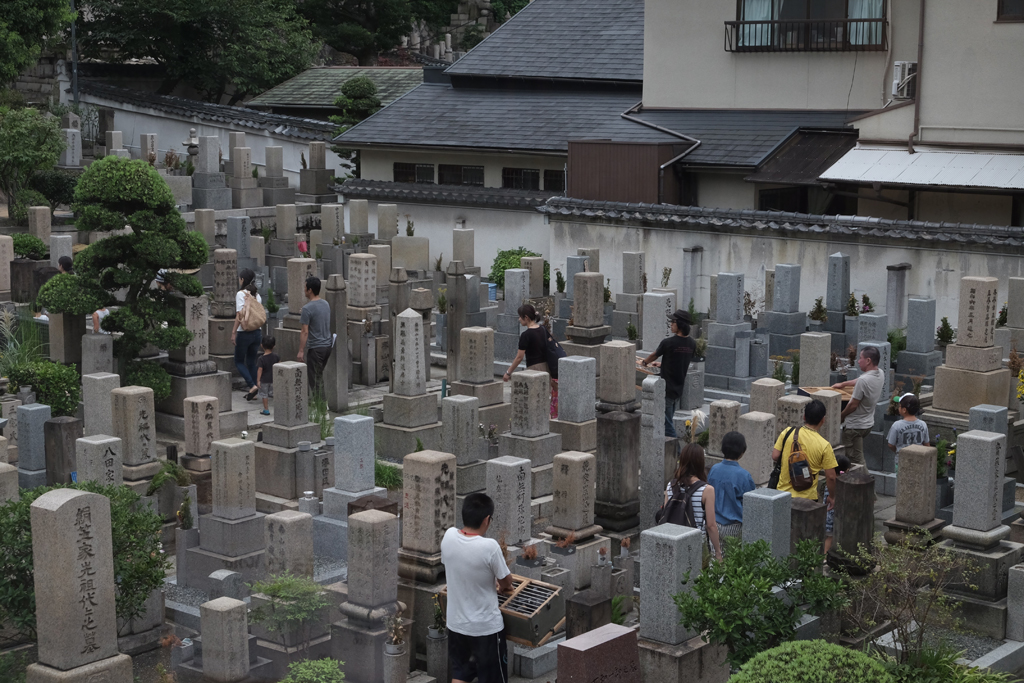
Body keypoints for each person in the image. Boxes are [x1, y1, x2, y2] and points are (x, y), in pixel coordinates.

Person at [440, 492, 514, 683]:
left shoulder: (448, 537)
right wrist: (501, 587)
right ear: (487, 519)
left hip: (456, 625)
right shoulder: (489, 547)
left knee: (460, 675)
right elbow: (506, 581)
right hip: (485, 629)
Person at [641, 309, 697, 438]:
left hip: (666, 388)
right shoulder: (692, 344)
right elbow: (681, 361)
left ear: (680, 324)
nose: (671, 324)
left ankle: (676, 451)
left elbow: (654, 355)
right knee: (668, 419)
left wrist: (644, 362)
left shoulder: (668, 343)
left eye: (673, 322)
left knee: (666, 422)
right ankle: (668, 447)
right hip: (678, 389)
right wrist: (662, 365)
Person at [772, 399, 838, 507]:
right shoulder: (824, 445)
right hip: (808, 499)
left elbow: (775, 456)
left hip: (782, 494)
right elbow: (831, 477)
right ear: (823, 420)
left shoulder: (788, 432)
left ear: (804, 417)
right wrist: (832, 496)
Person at [664, 443, 723, 561]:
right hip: (695, 543)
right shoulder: (707, 490)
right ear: (700, 462)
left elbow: (665, 513)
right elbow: (710, 525)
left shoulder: (671, 485)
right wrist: (717, 552)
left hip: (673, 540)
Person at [831, 346, 884, 467]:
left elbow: (853, 405)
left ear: (868, 361)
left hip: (854, 427)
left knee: (856, 461)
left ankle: (865, 483)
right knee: (857, 458)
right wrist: (843, 384)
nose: (858, 361)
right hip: (868, 423)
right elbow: (859, 380)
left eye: (860, 358)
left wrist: (841, 417)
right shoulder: (880, 373)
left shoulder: (864, 381)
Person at [707, 431, 755, 551]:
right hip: (735, 525)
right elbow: (750, 502)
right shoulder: (744, 475)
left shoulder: (714, 469)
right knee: (733, 561)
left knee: (716, 558)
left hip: (714, 523)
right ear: (742, 453)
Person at [503, 304, 558, 410]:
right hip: (547, 367)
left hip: (534, 368)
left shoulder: (526, 335)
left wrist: (508, 372)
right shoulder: (543, 329)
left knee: (535, 402)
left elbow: (519, 357)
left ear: (526, 318)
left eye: (520, 317)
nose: (519, 319)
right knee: (544, 400)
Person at [297, 275, 332, 395]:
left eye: (305, 287)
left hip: (316, 348)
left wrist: (301, 350)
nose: (304, 289)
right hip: (327, 346)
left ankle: (322, 409)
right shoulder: (325, 304)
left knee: (315, 381)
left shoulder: (307, 309)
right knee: (319, 377)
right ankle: (322, 407)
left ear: (310, 290)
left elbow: (304, 331)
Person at [231, 268, 263, 401]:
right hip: (257, 332)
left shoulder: (241, 294)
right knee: (251, 361)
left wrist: (233, 332)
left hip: (244, 333)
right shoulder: (257, 295)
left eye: (240, 278)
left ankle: (252, 386)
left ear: (242, 280)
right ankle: (255, 388)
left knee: (238, 361)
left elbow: (239, 315)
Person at [886, 393, 930, 470]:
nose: (898, 408)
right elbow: (926, 444)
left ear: (904, 410)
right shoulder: (923, 424)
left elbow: (890, 444)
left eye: (899, 406)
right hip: (919, 460)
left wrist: (898, 450)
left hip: (901, 460)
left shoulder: (897, 425)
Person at [823, 452, 852, 554]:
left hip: (828, 515)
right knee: (830, 538)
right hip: (832, 516)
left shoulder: (830, 484)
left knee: (830, 537)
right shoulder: (838, 484)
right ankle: (824, 557)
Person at [256, 335, 279, 417]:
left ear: (261, 345)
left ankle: (266, 409)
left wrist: (258, 380)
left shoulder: (261, 359)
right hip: (274, 379)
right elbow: (279, 366)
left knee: (264, 395)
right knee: (275, 394)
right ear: (274, 346)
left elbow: (260, 370)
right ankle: (279, 409)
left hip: (264, 380)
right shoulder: (276, 356)